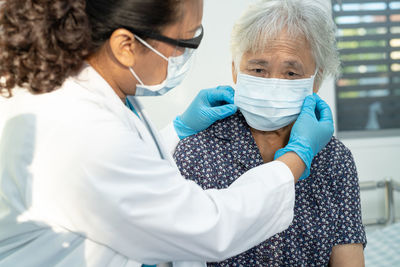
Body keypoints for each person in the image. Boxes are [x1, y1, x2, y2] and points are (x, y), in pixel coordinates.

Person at [0, 0, 334, 266]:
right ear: (126, 45)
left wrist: (176, 130)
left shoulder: (101, 95)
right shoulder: (79, 128)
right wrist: (296, 157)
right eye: (186, 40)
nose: (184, 56)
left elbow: (134, 172)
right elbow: (210, 227)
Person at [173, 0, 366, 266]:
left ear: (316, 80)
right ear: (235, 70)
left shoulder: (334, 159)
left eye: (291, 72)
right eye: (258, 70)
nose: (273, 83)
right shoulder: (197, 152)